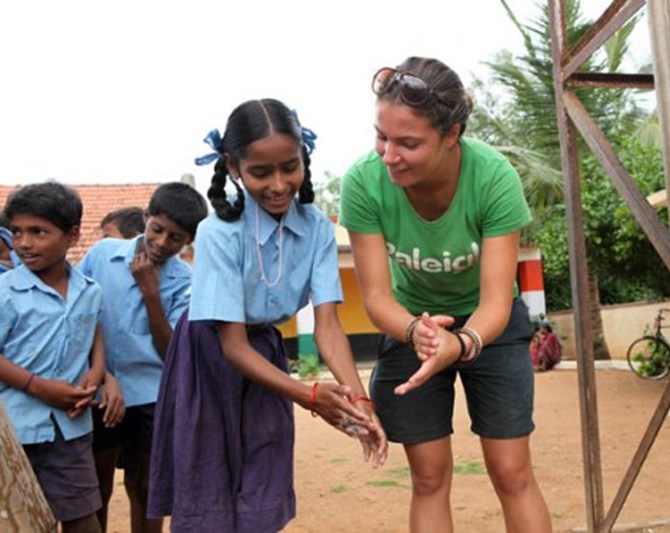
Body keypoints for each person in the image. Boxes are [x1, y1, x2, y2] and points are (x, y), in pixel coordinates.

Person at [147, 98, 388, 532]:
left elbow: (328, 327)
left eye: (290, 167)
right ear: (234, 167)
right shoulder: (218, 232)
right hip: (207, 356)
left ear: (304, 158)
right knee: (208, 482)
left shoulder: (317, 228)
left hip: (265, 354)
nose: (279, 185)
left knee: (264, 478)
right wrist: (310, 396)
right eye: (261, 172)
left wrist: (359, 403)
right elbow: (232, 346)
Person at [339, 57, 552, 532]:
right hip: (409, 324)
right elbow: (376, 297)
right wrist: (417, 332)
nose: (389, 155)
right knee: (429, 477)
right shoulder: (363, 182)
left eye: (408, 143)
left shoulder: (493, 178)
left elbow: (496, 300)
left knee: (512, 471)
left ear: (452, 134)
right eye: (382, 136)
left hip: (490, 329)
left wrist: (462, 342)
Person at [78, 182, 208, 533]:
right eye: (157, 229)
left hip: (153, 396)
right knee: (95, 489)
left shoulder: (186, 282)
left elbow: (172, 351)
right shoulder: (103, 254)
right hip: (99, 388)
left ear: (189, 241)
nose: (162, 242)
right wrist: (103, 374)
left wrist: (151, 292)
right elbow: (78, 314)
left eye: (176, 238)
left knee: (148, 489)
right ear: (146, 217)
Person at [0, 181, 106, 532]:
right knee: (22, 523)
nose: (24, 243)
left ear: (72, 236)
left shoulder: (89, 291)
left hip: (70, 432)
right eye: (17, 232)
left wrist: (97, 371)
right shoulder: (5, 292)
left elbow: (93, 330)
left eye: (38, 232)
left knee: (83, 521)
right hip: (14, 433)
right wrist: (38, 387)